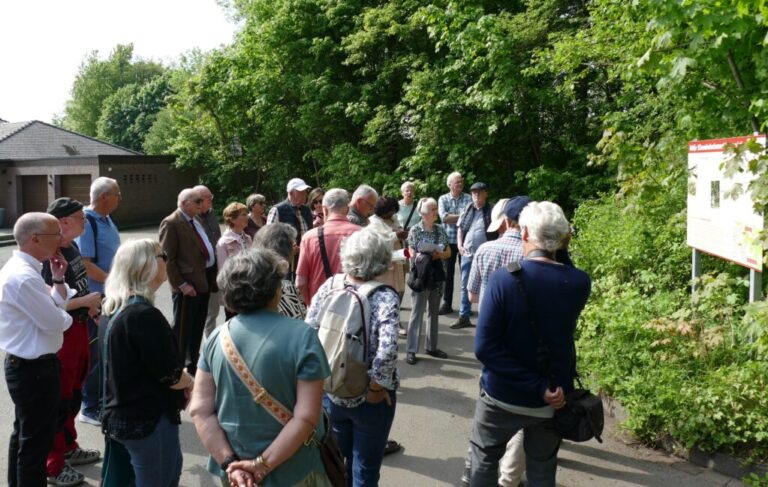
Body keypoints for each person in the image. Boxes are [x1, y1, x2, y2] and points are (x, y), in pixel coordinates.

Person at [470, 201, 591, 486]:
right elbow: (564, 271)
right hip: (553, 396)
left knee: (485, 457)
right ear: (564, 239)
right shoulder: (578, 282)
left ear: (524, 233)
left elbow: (485, 348)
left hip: (502, 395)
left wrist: (533, 386)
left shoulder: (504, 279)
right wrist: (542, 388)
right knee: (542, 467)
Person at [191, 248, 332, 487]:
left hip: (235, 474)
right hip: (294, 468)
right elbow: (307, 416)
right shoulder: (302, 335)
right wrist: (260, 465)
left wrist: (230, 464)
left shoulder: (217, 337)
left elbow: (200, 409)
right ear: (274, 289)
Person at [306, 227, 400, 485]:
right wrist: (376, 388)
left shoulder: (330, 285)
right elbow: (388, 348)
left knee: (337, 460)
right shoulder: (383, 295)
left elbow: (309, 331)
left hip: (332, 389)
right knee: (365, 468)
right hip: (369, 397)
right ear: (382, 259)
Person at [100, 239, 193, 487]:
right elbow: (170, 376)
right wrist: (191, 381)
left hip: (122, 416)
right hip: (147, 421)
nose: (167, 261)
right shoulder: (143, 316)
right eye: (163, 256)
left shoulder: (113, 308)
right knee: (162, 479)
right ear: (147, 265)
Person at [0, 213, 74, 487]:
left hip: (31, 367)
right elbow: (58, 321)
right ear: (35, 239)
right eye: (56, 234)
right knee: (35, 446)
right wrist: (61, 312)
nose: (62, 238)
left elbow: (56, 307)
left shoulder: (27, 270)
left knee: (25, 437)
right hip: (34, 370)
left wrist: (57, 280)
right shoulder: (23, 277)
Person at [461, 196, 530, 487]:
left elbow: (472, 295)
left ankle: (472, 467)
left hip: (490, 337)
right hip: (526, 340)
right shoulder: (534, 256)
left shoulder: (487, 249)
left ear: (504, 222)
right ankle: (509, 477)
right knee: (524, 413)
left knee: (487, 405)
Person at [43, 198, 103, 486]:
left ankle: (69, 446)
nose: (85, 221)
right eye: (80, 217)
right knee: (60, 396)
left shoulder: (72, 248)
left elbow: (78, 284)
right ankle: (53, 464)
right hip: (63, 336)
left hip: (80, 329)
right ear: (63, 221)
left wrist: (90, 307)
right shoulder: (47, 255)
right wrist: (85, 301)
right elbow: (47, 303)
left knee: (75, 392)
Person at [76, 176, 122, 426]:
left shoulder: (106, 219)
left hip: (110, 295)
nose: (120, 198)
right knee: (95, 352)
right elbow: (85, 264)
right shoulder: (88, 222)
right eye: (117, 193)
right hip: (98, 297)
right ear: (104, 196)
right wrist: (114, 282)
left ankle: (102, 399)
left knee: (106, 350)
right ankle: (89, 405)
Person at [159, 188, 217, 375]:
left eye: (202, 201)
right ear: (184, 203)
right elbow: (168, 259)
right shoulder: (171, 223)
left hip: (203, 281)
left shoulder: (196, 219)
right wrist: (182, 284)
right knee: (183, 330)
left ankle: (192, 364)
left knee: (197, 327)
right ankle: (177, 367)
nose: (201, 205)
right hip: (187, 286)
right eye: (197, 201)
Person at [404, 198, 452, 365]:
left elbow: (448, 252)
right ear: (424, 213)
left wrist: (439, 254)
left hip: (437, 274)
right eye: (432, 209)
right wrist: (416, 256)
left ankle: (432, 347)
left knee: (433, 312)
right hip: (421, 275)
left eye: (435, 208)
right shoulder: (415, 230)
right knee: (417, 312)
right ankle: (411, 350)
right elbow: (410, 250)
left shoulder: (440, 229)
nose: (436, 211)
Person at [295, 188, 361, 305]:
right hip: (353, 305)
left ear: (325, 210)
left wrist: (310, 304)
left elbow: (300, 282)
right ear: (347, 209)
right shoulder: (362, 234)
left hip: (320, 306)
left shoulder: (309, 237)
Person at [452, 182, 493, 329]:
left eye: (479, 192)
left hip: (486, 255)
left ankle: (486, 318)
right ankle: (464, 316)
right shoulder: (468, 208)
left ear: (485, 193)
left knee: (487, 285)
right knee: (465, 285)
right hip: (468, 253)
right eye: (474, 192)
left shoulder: (492, 210)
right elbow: (460, 229)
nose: (476, 194)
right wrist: (459, 245)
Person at [253, 223, 307, 319]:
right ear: (283, 248)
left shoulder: (252, 282)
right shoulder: (281, 288)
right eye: (293, 244)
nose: (295, 249)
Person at [437, 171, 471, 315]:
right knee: (447, 274)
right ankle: (447, 304)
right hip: (448, 241)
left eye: (461, 181)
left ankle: (466, 306)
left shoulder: (468, 198)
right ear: (449, 184)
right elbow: (444, 218)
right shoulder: (443, 199)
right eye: (457, 182)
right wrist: (463, 216)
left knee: (466, 274)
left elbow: (470, 217)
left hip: (464, 241)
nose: (460, 184)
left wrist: (456, 217)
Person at [216, 202, 254, 320]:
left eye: (246, 213)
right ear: (232, 219)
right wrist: (227, 300)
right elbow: (223, 274)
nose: (247, 216)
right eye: (243, 214)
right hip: (235, 293)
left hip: (250, 290)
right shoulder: (223, 243)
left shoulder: (248, 239)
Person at [266, 178, 313, 272]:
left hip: (306, 256)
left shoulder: (306, 210)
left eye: (305, 191)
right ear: (291, 193)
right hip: (286, 261)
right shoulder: (277, 210)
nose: (305, 194)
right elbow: (269, 237)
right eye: (301, 192)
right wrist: (286, 248)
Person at [195, 185, 224, 339]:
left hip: (214, 270)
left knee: (212, 312)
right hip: (199, 272)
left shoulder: (212, 214)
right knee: (199, 314)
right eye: (208, 197)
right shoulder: (191, 218)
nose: (211, 199)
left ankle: (211, 343)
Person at [369, 196, 407, 301]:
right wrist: (396, 235)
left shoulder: (393, 218)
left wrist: (402, 232)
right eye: (390, 211)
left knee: (398, 291)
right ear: (382, 211)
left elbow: (399, 229)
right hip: (384, 264)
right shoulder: (373, 222)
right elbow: (379, 241)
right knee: (385, 292)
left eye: (394, 211)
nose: (392, 213)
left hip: (397, 259)